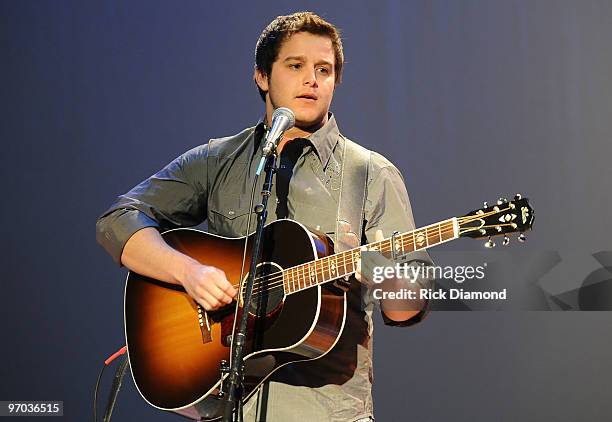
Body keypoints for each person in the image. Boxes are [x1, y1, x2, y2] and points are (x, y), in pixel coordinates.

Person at [96, 11, 433, 422]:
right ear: (261, 76)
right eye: (296, 66)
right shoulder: (219, 159)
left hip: (329, 412)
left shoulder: (370, 174)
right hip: (225, 406)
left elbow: (405, 308)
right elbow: (119, 220)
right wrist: (188, 273)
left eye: (324, 70)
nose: (312, 79)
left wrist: (382, 273)